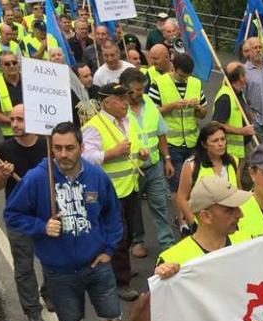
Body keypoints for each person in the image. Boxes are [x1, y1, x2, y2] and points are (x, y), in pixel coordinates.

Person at [4, 122, 128, 321]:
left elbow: (112, 214)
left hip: (97, 266)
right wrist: (40, 226)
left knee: (112, 315)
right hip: (58, 272)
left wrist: (109, 248)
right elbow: (12, 215)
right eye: (57, 148)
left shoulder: (97, 176)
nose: (63, 154)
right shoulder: (38, 179)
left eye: (69, 148)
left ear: (81, 148)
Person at [129, 176, 263, 321]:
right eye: (229, 210)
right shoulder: (174, 259)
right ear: (205, 216)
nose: (240, 214)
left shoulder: (247, 242)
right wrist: (155, 289)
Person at [81, 83, 149, 302]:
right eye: (120, 99)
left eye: (125, 97)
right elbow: (86, 158)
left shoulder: (128, 121)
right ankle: (121, 281)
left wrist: (142, 153)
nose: (125, 102)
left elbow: (135, 147)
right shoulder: (94, 126)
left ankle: (119, 267)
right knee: (118, 236)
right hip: (109, 191)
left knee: (130, 233)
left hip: (130, 186)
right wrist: (112, 153)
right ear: (106, 102)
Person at [0, 104, 50, 321]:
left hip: (45, 214)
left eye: (19, 120)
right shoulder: (2, 149)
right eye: (12, 119)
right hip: (19, 217)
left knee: (52, 260)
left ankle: (48, 292)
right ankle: (33, 310)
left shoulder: (48, 146)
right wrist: (3, 176)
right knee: (24, 267)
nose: (14, 124)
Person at [147, 53, 206, 235]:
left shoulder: (196, 83)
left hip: (191, 140)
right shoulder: (159, 83)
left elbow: (203, 113)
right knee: (177, 184)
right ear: (173, 68)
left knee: (193, 183)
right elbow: (152, 113)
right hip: (171, 142)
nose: (184, 79)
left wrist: (197, 108)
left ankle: (192, 218)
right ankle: (183, 223)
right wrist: (172, 106)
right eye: (181, 75)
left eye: (187, 76)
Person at [121, 68, 175, 256]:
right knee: (134, 209)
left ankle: (167, 243)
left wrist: (167, 159)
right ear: (126, 90)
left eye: (142, 89)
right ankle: (138, 241)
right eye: (136, 90)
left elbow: (161, 133)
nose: (141, 93)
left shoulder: (150, 103)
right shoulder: (119, 111)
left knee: (160, 204)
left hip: (154, 166)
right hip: (132, 170)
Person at [176, 122, 239, 235]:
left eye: (222, 139)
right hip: (204, 226)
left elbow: (238, 191)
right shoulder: (191, 166)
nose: (221, 144)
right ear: (204, 144)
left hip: (229, 224)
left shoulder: (233, 161)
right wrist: (194, 223)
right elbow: (181, 197)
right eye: (215, 141)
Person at [211, 61, 255, 189]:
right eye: (244, 74)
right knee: (233, 184)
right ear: (241, 77)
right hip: (231, 151)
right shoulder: (226, 96)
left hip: (242, 148)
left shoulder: (238, 93)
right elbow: (217, 124)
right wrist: (242, 131)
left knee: (244, 181)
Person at [242, 36, 263, 127]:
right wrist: (249, 114)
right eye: (255, 48)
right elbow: (241, 97)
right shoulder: (244, 71)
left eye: (260, 47)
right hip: (256, 122)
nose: (258, 50)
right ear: (249, 51)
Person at [0, 50, 22, 140]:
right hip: (10, 133)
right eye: (7, 64)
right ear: (0, 66)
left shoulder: (29, 80)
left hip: (32, 132)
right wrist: (16, 122)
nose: (12, 66)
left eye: (14, 63)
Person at [70, 63, 100, 127]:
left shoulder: (97, 90)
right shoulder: (70, 96)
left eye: (90, 75)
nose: (90, 79)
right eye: (86, 76)